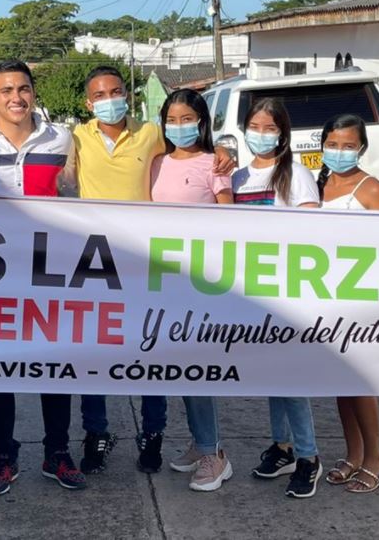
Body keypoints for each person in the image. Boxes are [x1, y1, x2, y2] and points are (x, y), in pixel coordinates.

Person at [68, 66, 234, 475]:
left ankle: (153, 433)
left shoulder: (151, 134)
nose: (110, 99)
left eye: (116, 91)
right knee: (95, 353)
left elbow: (197, 153)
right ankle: (96, 433)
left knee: (151, 349)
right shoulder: (75, 136)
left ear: (128, 94)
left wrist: (228, 153)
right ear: (88, 103)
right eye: (100, 94)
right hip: (97, 262)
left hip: (148, 262)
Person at [0, 60, 85, 493]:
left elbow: (79, 193)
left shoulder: (61, 138)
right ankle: (4, 456)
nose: (16, 97)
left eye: (23, 88)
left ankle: (58, 453)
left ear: (34, 92)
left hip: (48, 269)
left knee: (55, 364)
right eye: (6, 90)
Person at [232, 97, 323, 499]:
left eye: (270, 128)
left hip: (289, 292)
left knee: (290, 377)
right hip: (252, 292)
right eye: (255, 126)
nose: (262, 135)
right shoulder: (236, 178)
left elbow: (312, 237)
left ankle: (308, 456)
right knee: (271, 375)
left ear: (283, 133)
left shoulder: (297, 175)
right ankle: (282, 446)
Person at [148, 89, 235, 493]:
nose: (180, 126)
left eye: (188, 118)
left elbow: (227, 220)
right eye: (173, 119)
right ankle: (201, 443)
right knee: (177, 368)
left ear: (202, 121)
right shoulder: (156, 163)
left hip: (200, 280)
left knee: (198, 369)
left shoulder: (213, 164)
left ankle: (215, 454)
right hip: (162, 279)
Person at [315, 114, 379, 494]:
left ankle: (375, 458)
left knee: (359, 382)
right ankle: (354, 454)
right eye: (333, 144)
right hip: (326, 299)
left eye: (349, 145)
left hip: (362, 301)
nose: (340, 152)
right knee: (339, 382)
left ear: (361, 148)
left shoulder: (371, 190)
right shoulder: (319, 184)